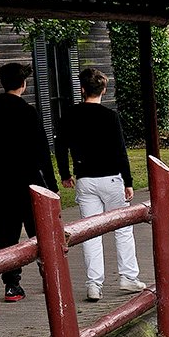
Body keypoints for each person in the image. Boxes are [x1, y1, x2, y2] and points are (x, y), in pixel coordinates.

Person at [55, 65, 142, 302]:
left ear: (82, 89)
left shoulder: (70, 116)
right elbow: (120, 151)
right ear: (103, 90)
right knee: (123, 230)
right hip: (112, 178)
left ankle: (94, 284)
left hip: (85, 180)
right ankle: (128, 277)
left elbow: (60, 148)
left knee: (90, 232)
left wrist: (64, 174)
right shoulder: (110, 117)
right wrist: (128, 181)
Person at [0, 61, 54, 302]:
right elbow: (42, 151)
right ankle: (49, 275)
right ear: (23, 83)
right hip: (29, 180)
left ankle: (12, 284)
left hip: (0, 182)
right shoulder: (28, 111)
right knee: (39, 230)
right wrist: (51, 183)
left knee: (5, 232)